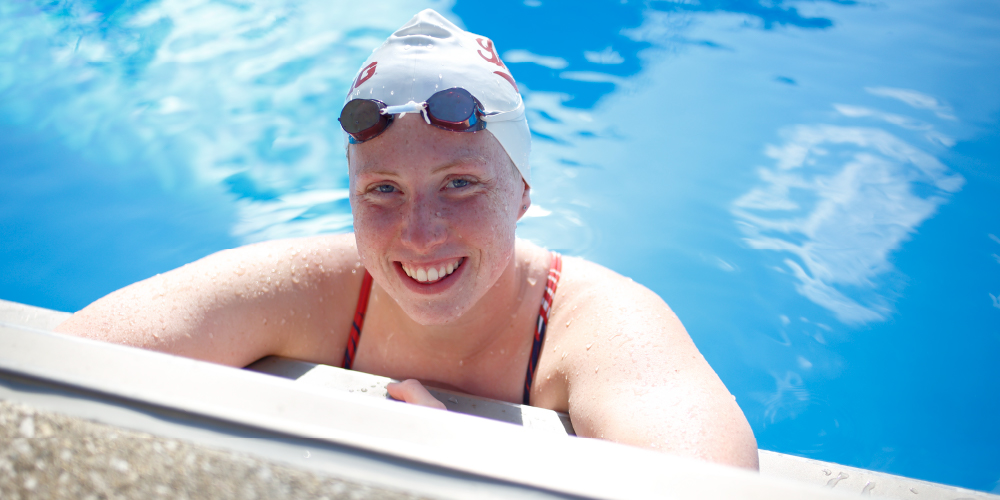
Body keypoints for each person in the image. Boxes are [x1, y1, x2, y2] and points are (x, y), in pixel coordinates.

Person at [54, 9, 759, 469]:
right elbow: (54, 375)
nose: (419, 235)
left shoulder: (600, 327)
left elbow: (716, 491)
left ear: (523, 194)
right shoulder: (311, 288)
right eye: (382, 191)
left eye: (460, 184)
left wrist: (481, 465)